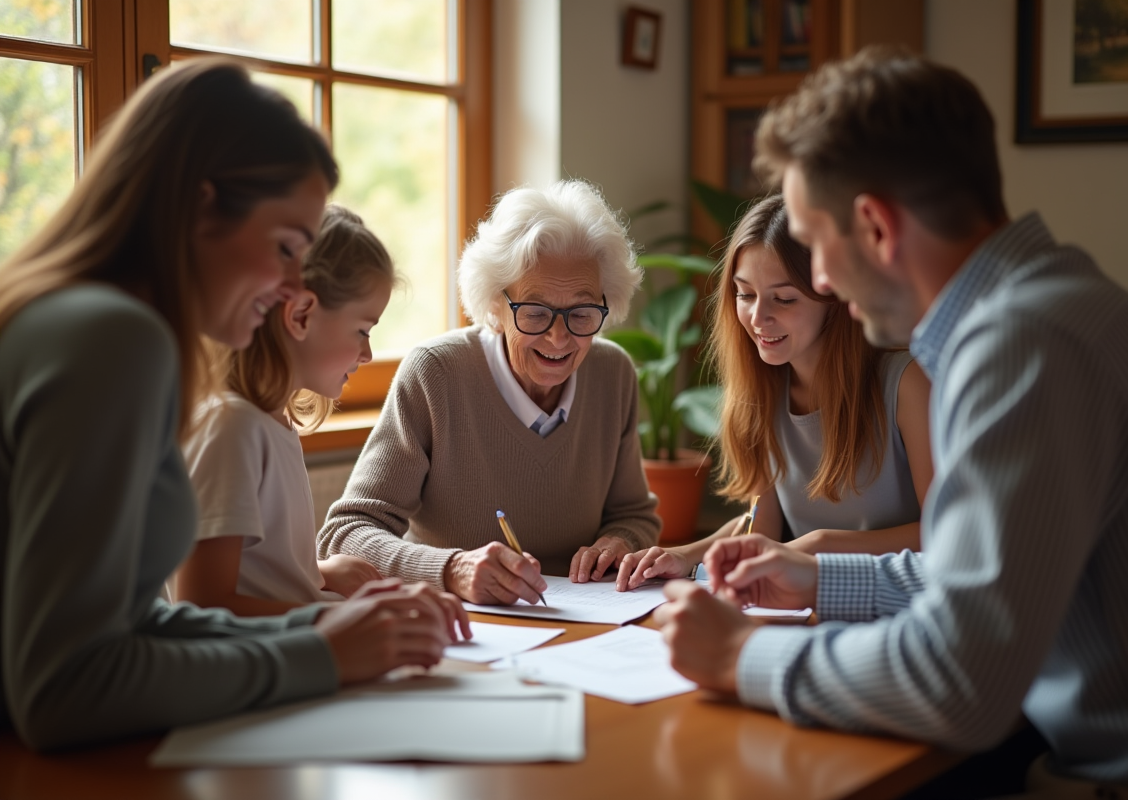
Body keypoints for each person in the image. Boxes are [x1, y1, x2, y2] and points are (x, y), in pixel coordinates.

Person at [655, 47, 1128, 793]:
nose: (817, 280)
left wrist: (738, 658)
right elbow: (980, 575)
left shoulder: (1022, 347)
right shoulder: (1057, 307)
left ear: (876, 226)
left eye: (814, 246)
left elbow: (960, 681)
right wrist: (818, 578)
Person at [0, 58, 467, 752]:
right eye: (284, 248)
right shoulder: (113, 340)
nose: (289, 286)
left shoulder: (90, 325)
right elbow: (63, 688)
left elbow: (128, 627)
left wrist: (316, 627)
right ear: (199, 206)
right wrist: (324, 657)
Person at [319, 180, 660, 605]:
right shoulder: (437, 374)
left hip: (587, 624)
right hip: (466, 627)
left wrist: (620, 541)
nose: (559, 338)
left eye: (582, 312)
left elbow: (634, 515)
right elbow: (343, 536)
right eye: (535, 312)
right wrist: (450, 569)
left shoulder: (613, 374)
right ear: (495, 306)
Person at [616, 194, 931, 591]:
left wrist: (818, 546)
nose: (758, 317)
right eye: (745, 294)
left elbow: (949, 534)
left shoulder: (907, 384)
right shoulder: (764, 387)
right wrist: (682, 555)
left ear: (833, 299)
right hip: (802, 608)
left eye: (784, 298)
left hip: (895, 608)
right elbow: (758, 526)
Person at [175, 205, 397, 615]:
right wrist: (343, 619)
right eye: (363, 330)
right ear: (300, 315)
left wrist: (320, 573)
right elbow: (201, 605)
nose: (368, 353)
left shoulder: (271, 422)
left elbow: (258, 573)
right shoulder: (233, 428)